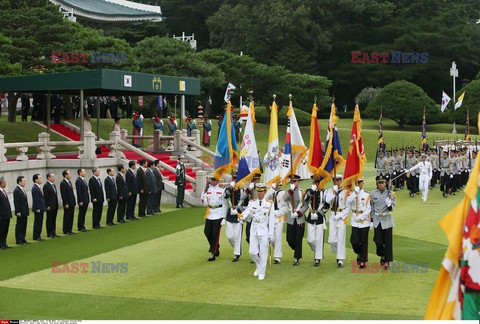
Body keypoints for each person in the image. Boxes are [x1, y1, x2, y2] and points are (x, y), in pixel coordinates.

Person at [239, 183, 275, 280]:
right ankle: (259, 266)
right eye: (258, 191)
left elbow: (271, 220)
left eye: (261, 191)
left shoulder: (269, 204)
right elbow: (247, 211)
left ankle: (262, 272)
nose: (259, 193)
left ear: (265, 192)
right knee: (252, 252)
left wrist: (271, 234)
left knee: (263, 252)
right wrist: (241, 216)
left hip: (264, 230)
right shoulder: (252, 202)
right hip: (254, 229)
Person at [298, 175, 329, 267]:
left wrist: (319, 214)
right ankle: (317, 251)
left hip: (319, 218)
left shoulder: (324, 192)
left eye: (316, 182)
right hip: (311, 217)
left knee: (319, 239)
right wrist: (312, 190)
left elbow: (326, 206)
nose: (314, 183)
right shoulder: (309, 191)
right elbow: (306, 200)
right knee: (310, 240)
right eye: (314, 181)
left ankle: (317, 258)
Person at [370, 175, 396, 270]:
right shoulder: (373, 194)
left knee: (388, 242)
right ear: (377, 184)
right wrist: (371, 216)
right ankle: (381, 254)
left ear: (386, 184)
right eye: (379, 183)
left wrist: (389, 202)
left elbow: (392, 208)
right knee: (378, 240)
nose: (381, 184)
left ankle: (387, 261)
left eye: (383, 182)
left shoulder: (390, 193)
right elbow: (371, 206)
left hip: (387, 219)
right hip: (377, 219)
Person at [326, 174, 351, 268]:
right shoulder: (330, 191)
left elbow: (348, 207)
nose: (336, 182)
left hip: (341, 216)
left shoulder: (345, 192)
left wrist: (341, 215)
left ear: (341, 181)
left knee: (341, 238)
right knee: (332, 240)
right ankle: (338, 252)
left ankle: (340, 259)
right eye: (334, 180)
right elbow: (328, 201)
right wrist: (333, 192)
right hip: (333, 214)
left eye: (338, 180)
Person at [200, 175, 226, 261]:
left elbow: (225, 204)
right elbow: (204, 203)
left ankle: (213, 253)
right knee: (207, 232)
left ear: (218, 181)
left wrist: (224, 217)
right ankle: (216, 246)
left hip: (219, 213)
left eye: (214, 180)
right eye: (212, 180)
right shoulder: (208, 190)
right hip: (210, 213)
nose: (213, 182)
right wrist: (203, 195)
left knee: (215, 234)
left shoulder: (222, 190)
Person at [346, 179, 371, 269]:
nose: (359, 184)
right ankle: (359, 252)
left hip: (364, 220)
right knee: (354, 241)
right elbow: (348, 202)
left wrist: (361, 217)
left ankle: (363, 261)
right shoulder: (352, 193)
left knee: (364, 241)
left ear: (363, 183)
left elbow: (368, 209)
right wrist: (354, 193)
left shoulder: (367, 194)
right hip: (354, 220)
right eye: (357, 183)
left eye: (360, 182)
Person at [265, 179, 289, 264]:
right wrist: (272, 189)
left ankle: (277, 257)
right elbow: (264, 198)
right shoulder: (271, 192)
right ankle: (277, 251)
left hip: (279, 217)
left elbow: (285, 207)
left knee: (278, 237)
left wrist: (277, 213)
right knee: (271, 238)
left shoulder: (282, 193)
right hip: (270, 218)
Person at [284, 174, 305, 266]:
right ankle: (294, 247)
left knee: (298, 239)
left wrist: (300, 213)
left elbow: (306, 204)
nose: (293, 183)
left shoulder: (302, 192)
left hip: (300, 218)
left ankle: (297, 258)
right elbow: (285, 199)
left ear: (298, 182)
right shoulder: (288, 191)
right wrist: (291, 190)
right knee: (290, 239)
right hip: (290, 218)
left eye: (295, 181)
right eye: (292, 182)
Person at [224, 172, 244, 262]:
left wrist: (237, 210)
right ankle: (237, 248)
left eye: (237, 179)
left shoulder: (243, 189)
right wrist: (230, 187)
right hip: (230, 214)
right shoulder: (229, 188)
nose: (235, 180)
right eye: (234, 178)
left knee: (237, 235)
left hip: (238, 214)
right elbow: (225, 196)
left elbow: (245, 203)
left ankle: (236, 254)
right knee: (230, 236)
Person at [13, 176, 29, 246]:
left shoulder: (22, 189)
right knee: (19, 225)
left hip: (24, 210)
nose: (25, 182)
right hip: (20, 211)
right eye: (23, 181)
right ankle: (18, 239)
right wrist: (17, 211)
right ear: (19, 182)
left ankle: (23, 238)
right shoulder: (16, 190)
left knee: (24, 225)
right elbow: (16, 202)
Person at [43, 172, 59, 239]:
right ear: (49, 178)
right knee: (49, 219)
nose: (54, 178)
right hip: (50, 206)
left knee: (53, 219)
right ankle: (49, 233)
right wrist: (47, 205)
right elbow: (46, 197)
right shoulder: (46, 186)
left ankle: (53, 232)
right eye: (52, 177)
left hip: (55, 205)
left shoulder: (54, 185)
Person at [60, 170, 76, 235]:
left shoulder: (69, 182)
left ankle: (70, 229)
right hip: (67, 203)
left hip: (71, 202)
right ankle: (65, 230)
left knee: (71, 216)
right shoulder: (63, 183)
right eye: (69, 174)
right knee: (67, 216)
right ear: (65, 175)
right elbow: (63, 194)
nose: (70, 175)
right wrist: (65, 203)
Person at [31, 174, 46, 241]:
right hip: (38, 208)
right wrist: (37, 208)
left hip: (41, 207)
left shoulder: (38, 187)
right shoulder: (35, 188)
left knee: (40, 222)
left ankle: (38, 235)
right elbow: (35, 199)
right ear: (36, 180)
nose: (41, 179)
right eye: (39, 178)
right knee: (37, 222)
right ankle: (36, 236)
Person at [0, 177, 12, 249]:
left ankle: (4, 242)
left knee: (5, 229)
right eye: (4, 182)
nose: (6, 183)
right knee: (2, 229)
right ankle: (1, 243)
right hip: (2, 215)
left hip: (6, 214)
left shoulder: (3, 191)